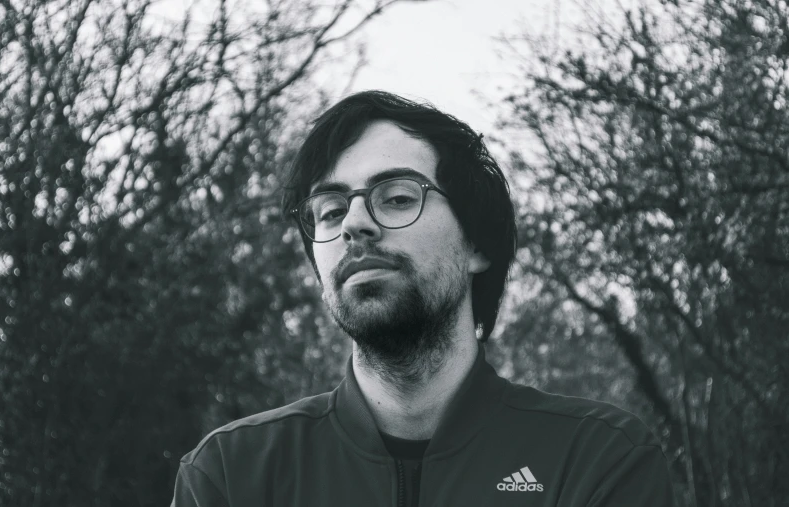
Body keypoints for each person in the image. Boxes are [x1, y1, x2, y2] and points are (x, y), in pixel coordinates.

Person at [171, 91, 676, 506]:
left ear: (476, 243)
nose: (353, 224)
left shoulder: (598, 459)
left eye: (395, 198)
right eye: (329, 211)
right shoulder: (230, 476)